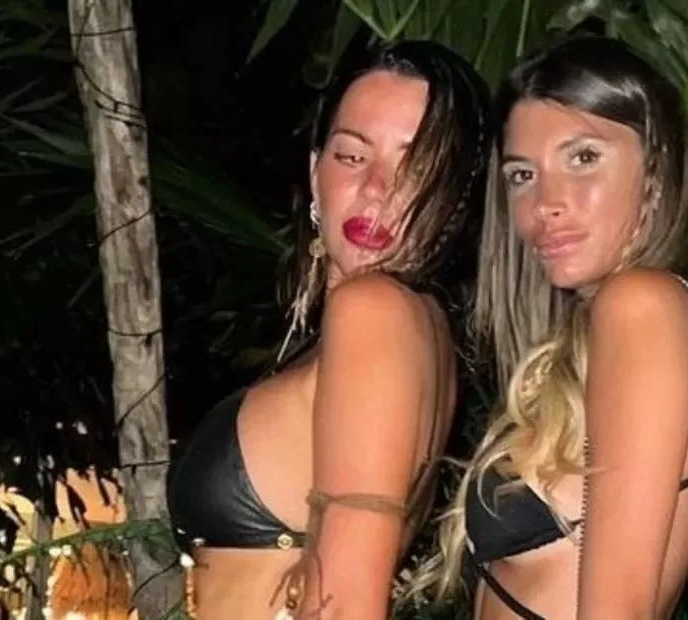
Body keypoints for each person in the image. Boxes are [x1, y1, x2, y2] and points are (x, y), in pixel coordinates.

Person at [167, 39, 493, 620]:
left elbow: (348, 603)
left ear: (455, 197)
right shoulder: (418, 325)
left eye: (416, 166)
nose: (377, 188)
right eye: (352, 156)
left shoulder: (374, 312)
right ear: (315, 173)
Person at [419, 36, 688, 619]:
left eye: (583, 158)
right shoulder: (609, 329)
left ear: (655, 173)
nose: (546, 203)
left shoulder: (641, 307)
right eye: (522, 174)